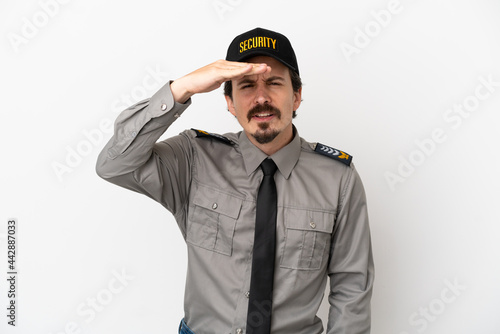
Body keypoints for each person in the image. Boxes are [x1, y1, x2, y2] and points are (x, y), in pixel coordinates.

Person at [96, 27, 374, 334]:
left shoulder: (338, 178)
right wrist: (181, 88)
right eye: (246, 86)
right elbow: (114, 164)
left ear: (296, 97)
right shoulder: (194, 158)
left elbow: (352, 285)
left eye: (274, 82)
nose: (261, 98)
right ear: (229, 103)